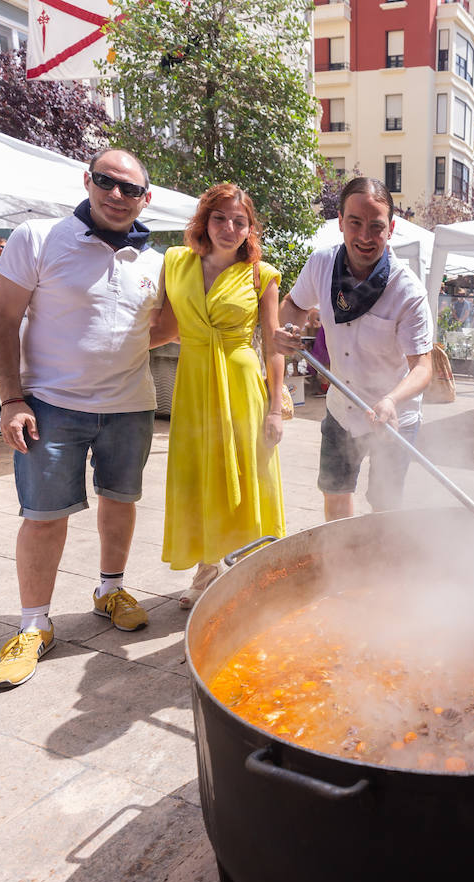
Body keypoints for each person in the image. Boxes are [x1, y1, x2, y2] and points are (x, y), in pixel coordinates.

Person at [0, 148, 164, 688]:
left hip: (130, 405)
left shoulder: (154, 260)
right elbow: (2, 320)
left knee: (120, 501)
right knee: (44, 514)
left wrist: (123, 351)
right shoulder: (38, 237)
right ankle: (34, 624)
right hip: (50, 406)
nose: (117, 196)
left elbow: (166, 327)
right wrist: (12, 399)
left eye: (130, 190)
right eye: (108, 183)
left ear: (145, 199)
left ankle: (109, 590)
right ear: (88, 181)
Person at [151, 183, 286, 609]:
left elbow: (273, 343)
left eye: (239, 222)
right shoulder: (176, 263)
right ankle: (207, 571)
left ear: (250, 229)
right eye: (220, 218)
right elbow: (165, 328)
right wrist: (111, 346)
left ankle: (255, 570)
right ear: (204, 221)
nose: (229, 228)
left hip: (243, 384)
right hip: (193, 383)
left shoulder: (260, 274)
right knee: (199, 476)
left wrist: (277, 405)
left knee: (251, 477)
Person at [273, 177, 434, 521]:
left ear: (390, 229)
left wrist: (391, 400)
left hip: (394, 418)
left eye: (376, 227)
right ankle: (342, 566)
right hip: (341, 408)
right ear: (340, 223)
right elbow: (294, 305)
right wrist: (285, 328)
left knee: (384, 506)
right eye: (355, 223)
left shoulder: (407, 291)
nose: (364, 236)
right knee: (335, 492)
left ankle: (380, 567)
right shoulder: (321, 264)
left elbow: (422, 367)